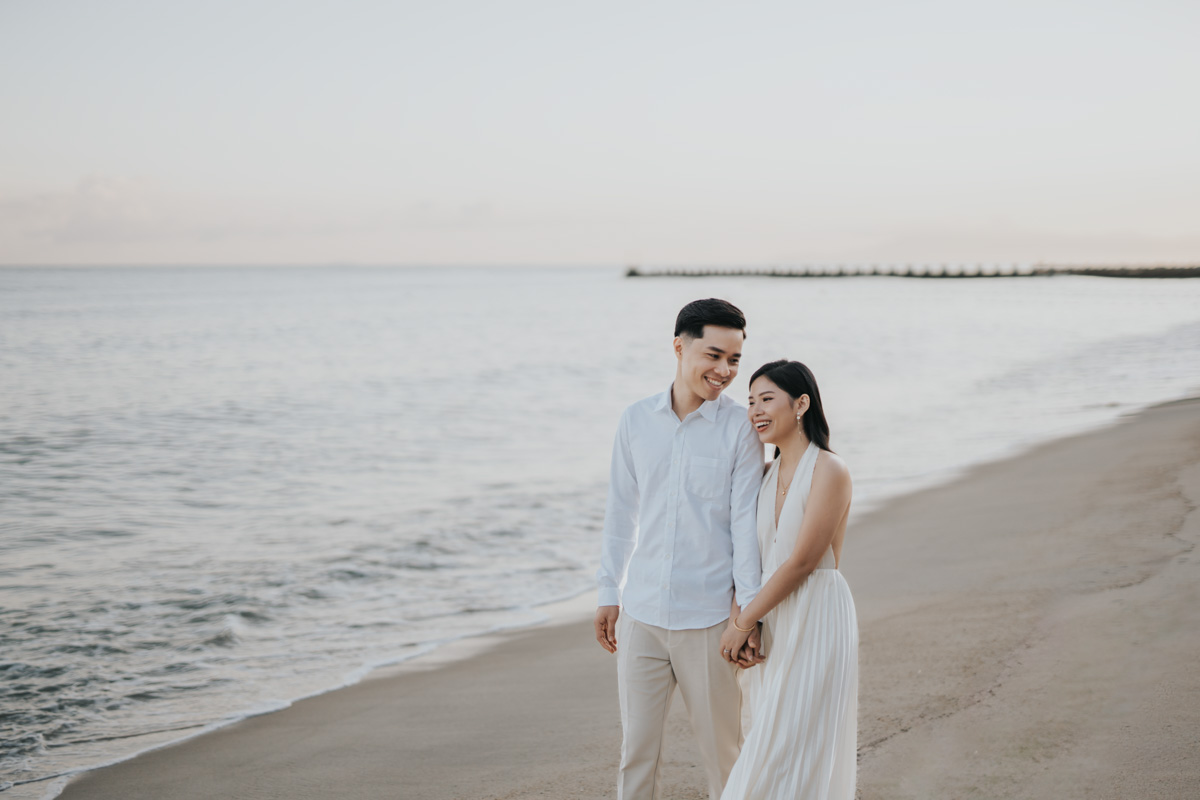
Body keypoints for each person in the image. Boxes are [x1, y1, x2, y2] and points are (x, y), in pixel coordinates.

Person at [594, 298, 765, 800]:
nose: (724, 371)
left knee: (723, 755)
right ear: (678, 347)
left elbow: (745, 529)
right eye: (714, 355)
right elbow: (620, 512)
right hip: (641, 615)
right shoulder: (635, 420)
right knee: (636, 755)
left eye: (734, 360)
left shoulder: (741, 428)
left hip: (710, 622)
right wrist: (608, 591)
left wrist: (747, 617)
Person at [718, 359, 858, 800]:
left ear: (801, 404)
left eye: (767, 399)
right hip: (770, 617)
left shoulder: (829, 469)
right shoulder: (762, 476)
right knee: (764, 738)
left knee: (795, 745)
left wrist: (741, 623)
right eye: (750, 402)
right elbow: (747, 561)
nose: (755, 411)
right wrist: (747, 620)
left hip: (816, 614)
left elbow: (802, 562)